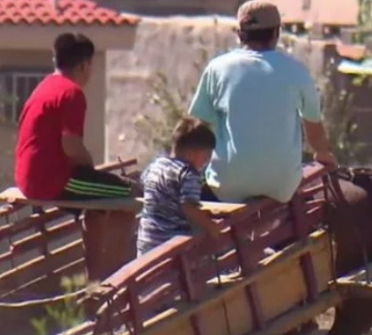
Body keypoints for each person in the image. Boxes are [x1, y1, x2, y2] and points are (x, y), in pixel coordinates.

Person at [14, 32, 139, 282]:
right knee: (130, 193)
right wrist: (91, 170)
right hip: (52, 180)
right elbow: (71, 146)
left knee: (99, 200)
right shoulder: (71, 93)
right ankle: (114, 274)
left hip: (26, 177)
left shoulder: (43, 88)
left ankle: (93, 277)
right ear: (84, 65)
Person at [188, 0, 336, 205]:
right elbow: (313, 127)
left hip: (226, 187)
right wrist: (322, 152)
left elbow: (198, 126)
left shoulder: (217, 68)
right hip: (282, 187)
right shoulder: (297, 71)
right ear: (276, 33)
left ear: (240, 34)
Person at [137, 117, 221, 256]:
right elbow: (188, 208)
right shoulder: (188, 174)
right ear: (191, 152)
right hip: (171, 248)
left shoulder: (155, 165)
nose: (205, 163)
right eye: (205, 157)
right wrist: (211, 226)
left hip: (146, 244)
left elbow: (144, 185)